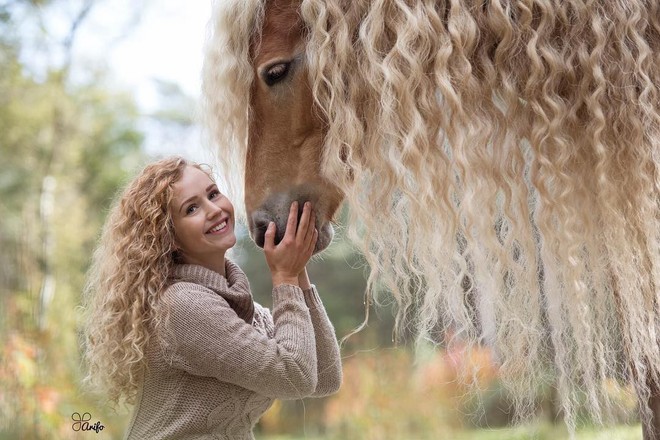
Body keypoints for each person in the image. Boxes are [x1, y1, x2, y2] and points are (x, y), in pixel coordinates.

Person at [82, 156, 342, 439]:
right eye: (192, 208)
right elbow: (296, 377)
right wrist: (286, 277)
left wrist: (297, 269)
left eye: (213, 194)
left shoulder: (237, 308)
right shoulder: (183, 305)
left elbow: (324, 378)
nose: (214, 210)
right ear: (169, 236)